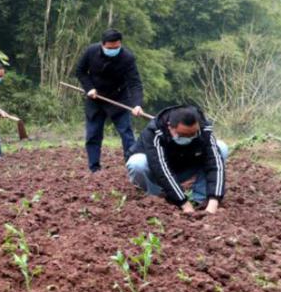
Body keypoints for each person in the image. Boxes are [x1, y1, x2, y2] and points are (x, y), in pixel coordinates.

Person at [126, 105, 228, 214]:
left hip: (186, 165)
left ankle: (201, 199)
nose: (189, 138)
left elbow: (215, 163)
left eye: (193, 134)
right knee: (137, 162)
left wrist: (213, 203)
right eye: (183, 135)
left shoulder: (204, 129)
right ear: (170, 127)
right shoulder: (154, 132)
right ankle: (158, 197)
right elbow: (161, 170)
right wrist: (184, 204)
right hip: (158, 173)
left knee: (221, 148)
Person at [75, 28, 145, 172]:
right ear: (102, 44)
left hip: (119, 98)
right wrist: (89, 88)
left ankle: (132, 167)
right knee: (93, 134)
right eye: (110, 48)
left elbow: (135, 83)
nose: (113, 50)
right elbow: (80, 71)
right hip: (95, 98)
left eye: (117, 47)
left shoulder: (127, 58)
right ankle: (94, 168)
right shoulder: (91, 51)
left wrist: (137, 104)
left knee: (127, 134)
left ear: (120, 44)